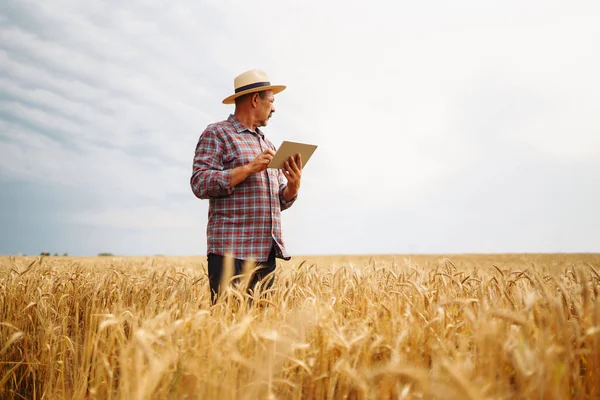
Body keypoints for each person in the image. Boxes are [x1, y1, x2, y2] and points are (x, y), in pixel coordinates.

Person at [190, 69, 302, 303]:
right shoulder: (217, 133)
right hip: (231, 253)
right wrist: (247, 169)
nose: (274, 108)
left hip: (265, 253)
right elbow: (199, 183)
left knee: (259, 329)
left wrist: (293, 187)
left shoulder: (268, 143)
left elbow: (278, 199)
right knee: (226, 322)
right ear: (254, 100)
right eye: (271, 101)